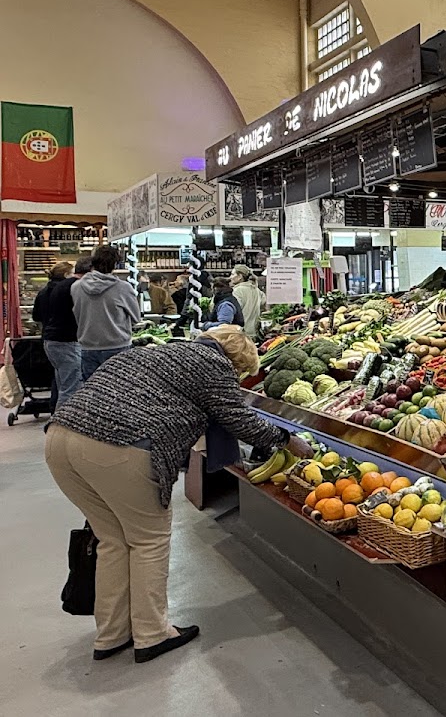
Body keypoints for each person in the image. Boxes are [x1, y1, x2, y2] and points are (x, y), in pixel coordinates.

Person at [45, 325, 313, 663]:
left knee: (112, 540)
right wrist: (287, 439)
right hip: (118, 446)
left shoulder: (159, 352)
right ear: (236, 362)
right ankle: (152, 634)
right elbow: (240, 420)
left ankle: (112, 635)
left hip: (60, 438)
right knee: (148, 541)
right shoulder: (213, 364)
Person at [73, 245, 141, 381]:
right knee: (119, 388)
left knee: (92, 389)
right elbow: (136, 317)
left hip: (88, 347)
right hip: (118, 346)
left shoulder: (76, 287)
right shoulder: (123, 287)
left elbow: (77, 314)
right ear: (115, 264)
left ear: (93, 262)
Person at [33, 260, 87, 406]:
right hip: (66, 340)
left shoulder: (43, 292)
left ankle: (55, 410)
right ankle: (63, 418)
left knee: (61, 383)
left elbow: (36, 317)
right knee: (71, 388)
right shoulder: (68, 289)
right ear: (66, 274)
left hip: (49, 340)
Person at [230, 264, 265, 337]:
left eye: (232, 274)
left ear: (240, 276)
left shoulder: (237, 291)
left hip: (241, 333)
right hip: (254, 332)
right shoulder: (257, 290)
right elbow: (263, 303)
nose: (230, 277)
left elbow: (234, 311)